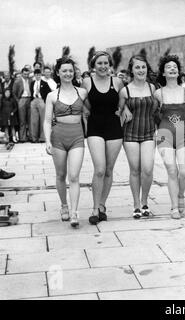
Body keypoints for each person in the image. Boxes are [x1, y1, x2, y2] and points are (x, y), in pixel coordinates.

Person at [43, 57, 88, 228]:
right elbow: (47, 121)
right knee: (61, 175)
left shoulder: (82, 92)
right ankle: (64, 205)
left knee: (74, 176)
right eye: (64, 71)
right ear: (58, 73)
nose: (68, 73)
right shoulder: (52, 96)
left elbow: (91, 111)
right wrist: (47, 140)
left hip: (77, 135)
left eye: (70, 70)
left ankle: (75, 212)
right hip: (58, 137)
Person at [81, 51, 124, 225]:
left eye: (106, 63)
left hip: (114, 128)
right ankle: (94, 208)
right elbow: (85, 105)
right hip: (95, 127)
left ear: (110, 65)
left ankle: (102, 205)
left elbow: (123, 101)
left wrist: (124, 110)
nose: (103, 66)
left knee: (108, 170)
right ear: (93, 65)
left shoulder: (118, 82)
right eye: (99, 63)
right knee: (99, 168)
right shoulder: (87, 82)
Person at [154, 55, 185, 219]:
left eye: (175, 66)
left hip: (183, 133)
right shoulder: (158, 93)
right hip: (164, 134)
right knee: (172, 170)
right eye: (168, 67)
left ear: (178, 71)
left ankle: (181, 195)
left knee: (184, 172)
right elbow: (149, 112)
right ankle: (173, 207)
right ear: (163, 73)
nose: (172, 68)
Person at [118, 55, 158, 219]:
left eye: (143, 67)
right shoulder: (125, 91)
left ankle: (144, 201)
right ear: (132, 70)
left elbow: (156, 109)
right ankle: (136, 204)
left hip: (148, 131)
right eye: (137, 67)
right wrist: (124, 108)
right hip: (130, 133)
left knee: (147, 169)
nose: (141, 70)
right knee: (135, 169)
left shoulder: (152, 88)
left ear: (147, 69)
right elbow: (118, 111)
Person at [30, 69, 51, 143]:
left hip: (41, 100)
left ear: (41, 75)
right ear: (34, 75)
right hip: (34, 100)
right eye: (36, 75)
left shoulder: (44, 83)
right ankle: (34, 138)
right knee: (34, 120)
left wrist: (45, 101)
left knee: (43, 119)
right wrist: (32, 100)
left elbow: (49, 93)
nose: (37, 76)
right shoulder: (32, 83)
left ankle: (42, 138)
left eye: (39, 75)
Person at [12, 67, 32, 142]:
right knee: (22, 120)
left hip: (29, 99)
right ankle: (22, 138)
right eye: (24, 74)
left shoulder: (30, 80)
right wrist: (18, 101)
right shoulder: (17, 81)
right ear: (21, 73)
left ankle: (30, 137)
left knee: (30, 119)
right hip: (22, 99)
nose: (26, 75)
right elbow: (13, 92)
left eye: (27, 74)